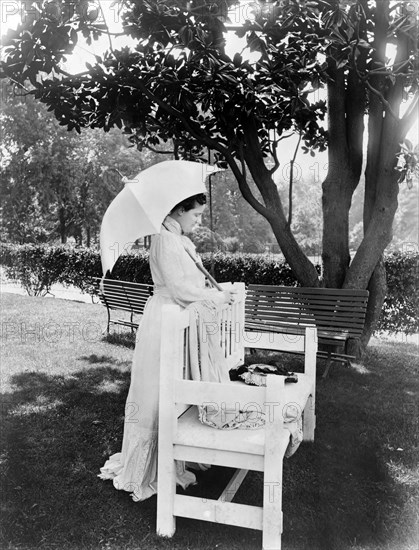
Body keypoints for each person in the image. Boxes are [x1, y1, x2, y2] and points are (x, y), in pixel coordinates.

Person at [98, 193, 236, 501]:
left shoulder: (179, 240)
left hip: (179, 317)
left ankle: (175, 453)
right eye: (195, 215)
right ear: (177, 209)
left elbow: (191, 283)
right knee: (157, 388)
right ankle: (150, 465)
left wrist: (216, 291)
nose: (198, 221)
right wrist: (215, 298)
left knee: (173, 387)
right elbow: (178, 288)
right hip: (165, 318)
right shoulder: (164, 239)